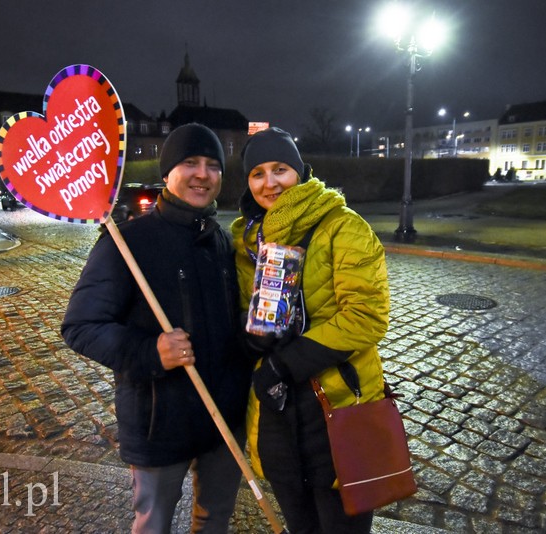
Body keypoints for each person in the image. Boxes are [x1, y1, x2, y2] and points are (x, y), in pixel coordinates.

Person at [61, 123, 252, 533]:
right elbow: (80, 326)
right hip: (159, 421)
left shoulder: (221, 241)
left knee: (215, 521)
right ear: (168, 173)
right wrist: (151, 352)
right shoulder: (127, 241)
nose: (203, 174)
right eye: (190, 162)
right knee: (153, 525)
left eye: (212, 165)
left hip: (223, 419)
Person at [231, 127, 390, 533]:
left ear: (300, 172)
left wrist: (286, 362)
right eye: (258, 173)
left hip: (338, 408)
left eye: (280, 169)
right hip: (277, 416)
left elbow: (366, 315)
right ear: (248, 182)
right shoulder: (247, 240)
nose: (270, 183)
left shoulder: (343, 227)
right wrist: (249, 339)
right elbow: (244, 312)